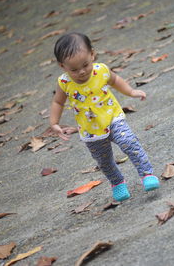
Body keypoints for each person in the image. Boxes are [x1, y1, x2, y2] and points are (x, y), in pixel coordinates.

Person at [50, 32, 160, 202]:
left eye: (86, 64)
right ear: (62, 66)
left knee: (129, 142)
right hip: (90, 130)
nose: (81, 72)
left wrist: (131, 92)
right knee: (104, 161)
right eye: (74, 69)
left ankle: (147, 174)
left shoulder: (101, 70)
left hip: (112, 118)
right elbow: (58, 102)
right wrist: (54, 122)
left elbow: (116, 81)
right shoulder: (64, 83)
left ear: (92, 54)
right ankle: (117, 183)